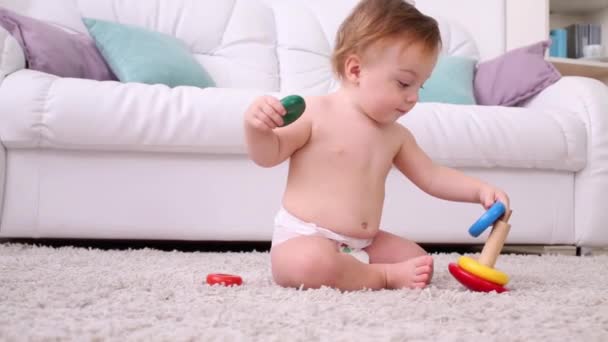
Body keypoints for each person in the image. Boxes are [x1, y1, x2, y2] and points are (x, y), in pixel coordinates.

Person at [243, 0, 509, 291]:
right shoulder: (315, 113)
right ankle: (380, 277)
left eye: (420, 86)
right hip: (304, 237)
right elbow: (268, 155)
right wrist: (256, 129)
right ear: (356, 70)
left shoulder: (396, 135)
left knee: (419, 260)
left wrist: (479, 191)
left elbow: (432, 176)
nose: (413, 98)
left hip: (363, 243)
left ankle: (355, 269)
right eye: (404, 83)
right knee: (310, 262)